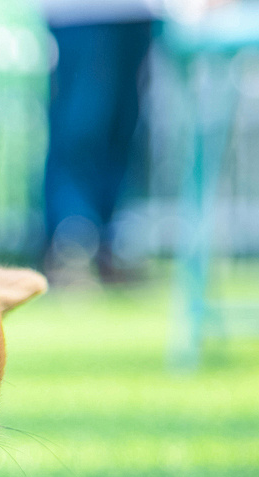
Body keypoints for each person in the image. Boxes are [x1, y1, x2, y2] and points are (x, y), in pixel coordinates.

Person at [39, 0, 162, 283]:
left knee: (125, 130)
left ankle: (112, 242)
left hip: (137, 12)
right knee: (81, 124)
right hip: (81, 13)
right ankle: (71, 243)